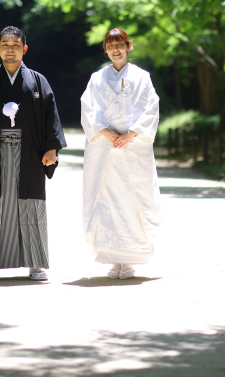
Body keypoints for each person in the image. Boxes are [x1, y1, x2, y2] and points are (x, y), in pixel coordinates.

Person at [0, 26, 66, 281]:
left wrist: (51, 148)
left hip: (29, 152)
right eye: (5, 44)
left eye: (15, 45)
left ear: (24, 49)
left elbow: (51, 115)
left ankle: (36, 264)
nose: (10, 49)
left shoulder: (39, 81)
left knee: (31, 203)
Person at [80, 28, 161, 280]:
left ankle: (131, 258)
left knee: (133, 198)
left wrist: (132, 133)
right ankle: (112, 258)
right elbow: (88, 107)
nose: (115, 49)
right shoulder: (96, 78)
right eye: (110, 45)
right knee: (104, 199)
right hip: (104, 147)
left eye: (120, 44)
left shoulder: (142, 77)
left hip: (133, 148)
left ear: (128, 47)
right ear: (105, 49)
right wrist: (104, 131)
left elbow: (151, 108)